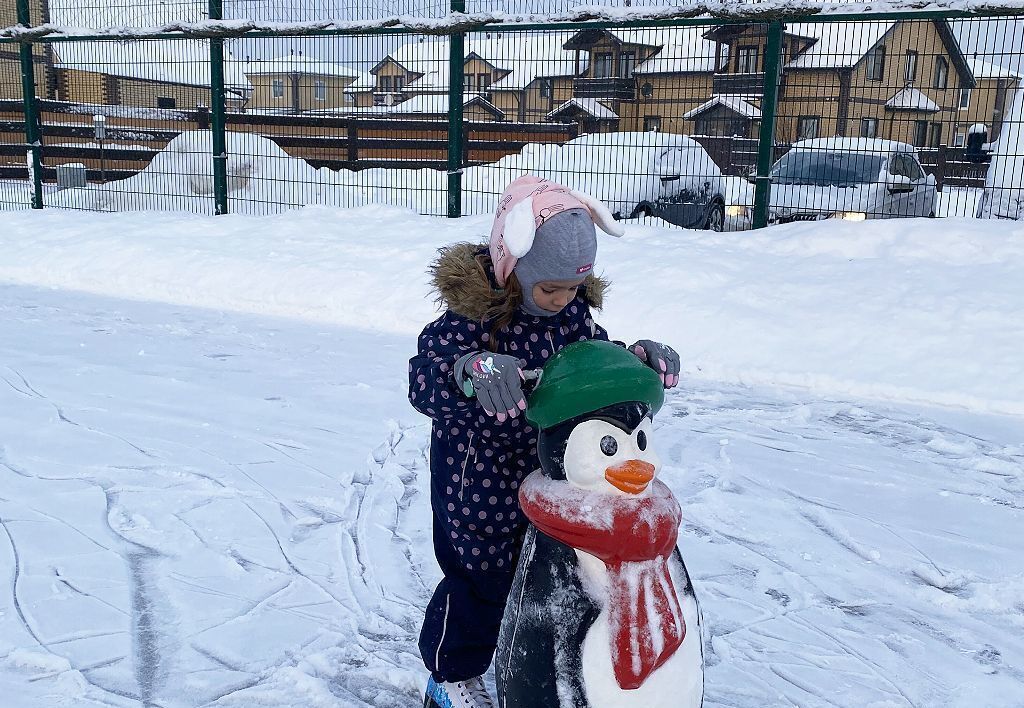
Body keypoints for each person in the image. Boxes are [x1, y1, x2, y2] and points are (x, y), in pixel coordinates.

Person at [409, 175, 681, 708]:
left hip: (553, 473)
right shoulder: (471, 318)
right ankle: (450, 675)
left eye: (573, 289)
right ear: (514, 266)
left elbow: (593, 365)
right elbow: (425, 380)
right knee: (483, 581)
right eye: (549, 289)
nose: (561, 301)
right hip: (477, 478)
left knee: (552, 578)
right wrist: (468, 369)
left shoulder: (572, 314)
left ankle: (545, 664)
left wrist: (635, 360)